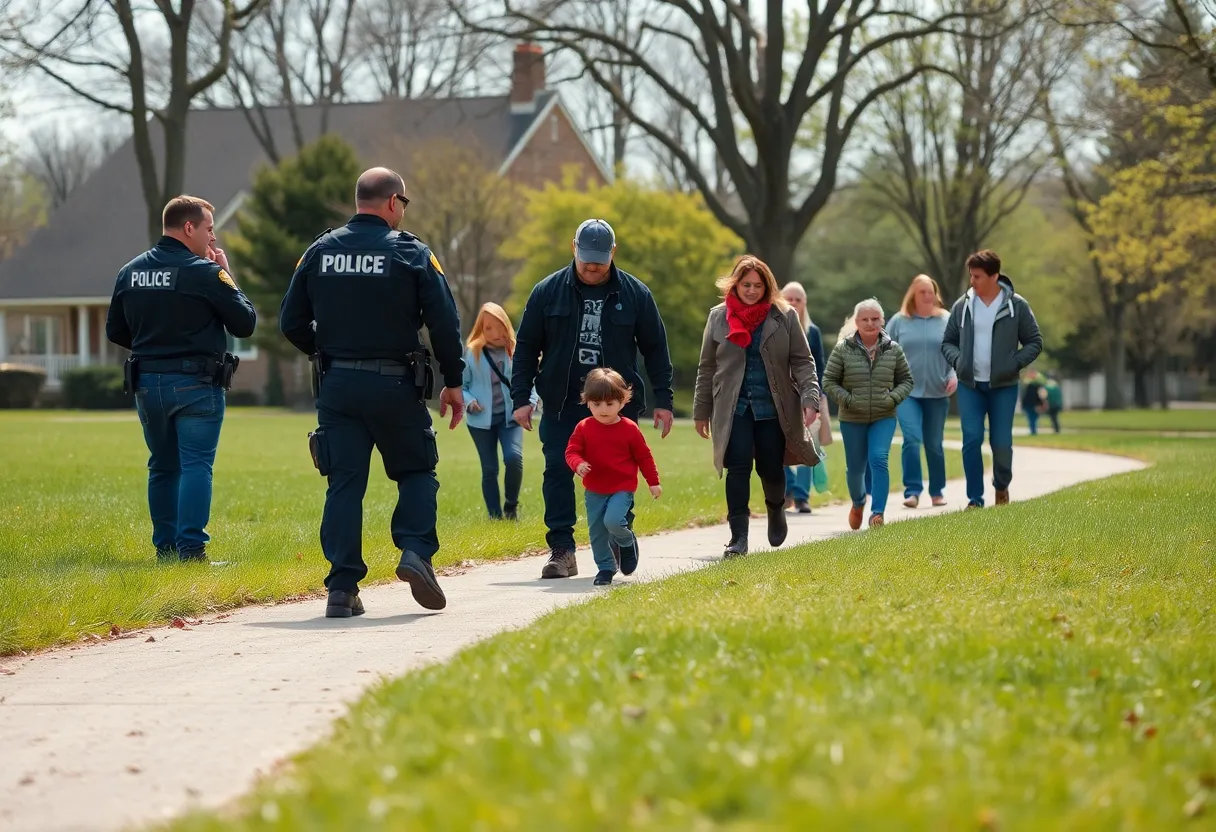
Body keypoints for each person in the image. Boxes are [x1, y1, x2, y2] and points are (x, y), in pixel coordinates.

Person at [280, 167, 465, 618]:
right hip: (395, 383)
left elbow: (290, 323)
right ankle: (416, 552)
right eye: (403, 204)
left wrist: (328, 350)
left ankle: (342, 589)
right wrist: (454, 382)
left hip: (338, 386)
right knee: (417, 472)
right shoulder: (412, 252)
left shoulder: (320, 251)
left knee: (344, 484)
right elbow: (444, 323)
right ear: (392, 202)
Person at [511, 218, 675, 580]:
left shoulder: (636, 294)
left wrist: (664, 399)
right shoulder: (547, 291)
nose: (592, 265)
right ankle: (562, 551)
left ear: (612, 253)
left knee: (618, 472)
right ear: (574, 248)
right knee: (557, 468)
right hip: (561, 401)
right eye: (586, 257)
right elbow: (525, 348)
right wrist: (520, 396)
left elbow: (656, 350)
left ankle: (619, 535)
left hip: (617, 406)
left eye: (600, 258)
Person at [105, 195, 257, 563]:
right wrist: (226, 274)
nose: (213, 240)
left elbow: (115, 330)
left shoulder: (130, 271)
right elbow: (245, 323)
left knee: (161, 466)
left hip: (146, 385)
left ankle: (166, 551)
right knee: (195, 466)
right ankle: (191, 551)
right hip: (196, 386)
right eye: (209, 230)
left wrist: (155, 345)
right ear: (189, 227)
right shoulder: (205, 273)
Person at [692, 256, 821, 558]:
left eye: (757, 285)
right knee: (737, 467)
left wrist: (810, 398)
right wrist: (700, 411)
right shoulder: (718, 316)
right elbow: (707, 367)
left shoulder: (784, 316)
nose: (751, 290)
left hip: (772, 407)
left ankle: (776, 509)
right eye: (745, 284)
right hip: (732, 407)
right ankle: (738, 538)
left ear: (767, 287)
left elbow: (803, 361)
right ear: (735, 284)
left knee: (770, 468)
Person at [941, 249, 1043, 508]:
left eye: (977, 276)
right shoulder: (963, 306)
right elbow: (948, 342)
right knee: (972, 439)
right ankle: (975, 499)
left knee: (1001, 442)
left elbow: (1034, 341)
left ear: (994, 276)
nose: (972, 281)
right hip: (970, 385)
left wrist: (1013, 364)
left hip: (1003, 386)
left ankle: (1001, 486)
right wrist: (959, 361)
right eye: (971, 276)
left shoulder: (1016, 306)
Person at [822, 298, 914, 530]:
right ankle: (858, 502)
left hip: (884, 416)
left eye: (875, 319)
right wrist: (849, 399)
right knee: (855, 469)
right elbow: (829, 381)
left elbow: (907, 381)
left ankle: (877, 513)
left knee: (879, 459)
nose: (871, 323)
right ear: (857, 322)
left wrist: (892, 398)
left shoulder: (894, 349)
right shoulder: (843, 349)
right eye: (865, 319)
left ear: (883, 321)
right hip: (852, 418)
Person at [565, 368, 662, 585]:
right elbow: (571, 451)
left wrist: (653, 482)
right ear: (587, 402)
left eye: (609, 404)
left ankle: (626, 543)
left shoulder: (629, 429)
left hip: (622, 486)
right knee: (597, 532)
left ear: (622, 401)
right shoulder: (584, 427)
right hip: (594, 489)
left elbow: (644, 457)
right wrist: (578, 464)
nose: (603, 410)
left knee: (613, 521)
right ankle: (606, 568)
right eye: (596, 404)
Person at [886, 274, 957, 509]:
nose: (927, 296)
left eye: (930, 291)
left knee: (935, 444)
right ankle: (913, 491)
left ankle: (937, 491)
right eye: (922, 292)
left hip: (938, 391)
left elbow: (956, 352)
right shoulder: (898, 321)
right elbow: (885, 353)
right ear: (913, 295)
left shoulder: (947, 320)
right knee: (912, 438)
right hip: (907, 392)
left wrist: (953, 374)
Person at [462, 302, 537, 520]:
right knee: (490, 469)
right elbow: (461, 386)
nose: (495, 333)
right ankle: (494, 516)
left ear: (507, 325)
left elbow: (530, 382)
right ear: (481, 330)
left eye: (500, 326)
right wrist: (470, 401)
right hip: (480, 420)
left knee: (514, 459)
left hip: (511, 418)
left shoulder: (516, 350)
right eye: (488, 328)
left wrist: (529, 403)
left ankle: (511, 507)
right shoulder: (472, 352)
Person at [780, 281, 825, 514]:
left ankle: (802, 496)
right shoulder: (774, 327)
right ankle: (788, 488)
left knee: (808, 446)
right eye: (789, 298)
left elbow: (819, 366)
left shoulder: (812, 332)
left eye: (798, 299)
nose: (793, 303)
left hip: (807, 396)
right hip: (780, 396)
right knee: (778, 444)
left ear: (804, 303)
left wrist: (819, 398)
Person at [1021, 368, 1046, 435]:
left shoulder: (1037, 384)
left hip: (1035, 404)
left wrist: (1041, 403)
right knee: (1032, 418)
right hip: (1029, 404)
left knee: (1033, 418)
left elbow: (1041, 395)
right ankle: (1033, 431)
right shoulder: (1028, 384)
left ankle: (1033, 431)